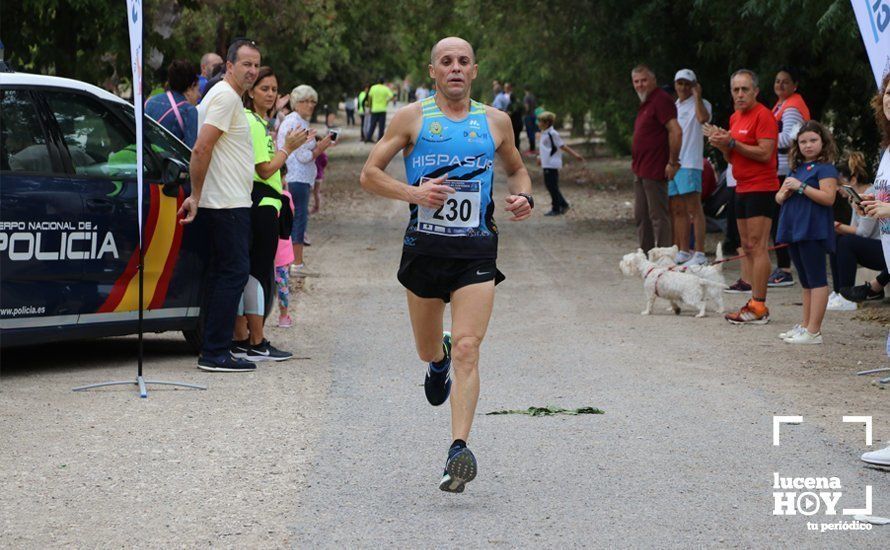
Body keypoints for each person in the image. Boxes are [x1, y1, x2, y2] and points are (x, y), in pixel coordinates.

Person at [359, 36, 533, 493]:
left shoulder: (495, 121)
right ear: (432, 71)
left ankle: (458, 449)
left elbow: (517, 168)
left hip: (476, 250)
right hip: (424, 249)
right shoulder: (412, 118)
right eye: (446, 62)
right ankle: (435, 363)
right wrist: (414, 194)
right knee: (429, 348)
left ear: (474, 71)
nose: (455, 68)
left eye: (463, 61)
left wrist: (524, 195)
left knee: (469, 349)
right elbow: (369, 174)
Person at [178, 39, 261, 372]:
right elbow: (201, 149)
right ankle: (215, 352)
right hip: (226, 205)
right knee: (234, 272)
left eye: (256, 64)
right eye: (246, 64)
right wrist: (196, 195)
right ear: (229, 66)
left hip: (225, 202)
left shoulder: (223, 96)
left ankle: (213, 347)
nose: (252, 71)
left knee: (220, 275)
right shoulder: (226, 97)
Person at [231, 66, 307, 362]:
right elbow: (264, 169)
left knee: (253, 272)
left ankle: (243, 337)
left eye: (274, 89)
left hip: (267, 203)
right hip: (260, 204)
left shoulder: (260, 123)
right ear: (250, 92)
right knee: (259, 274)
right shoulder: (252, 122)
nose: (271, 94)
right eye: (264, 88)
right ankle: (255, 339)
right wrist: (288, 148)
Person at [706, 69, 779, 325]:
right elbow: (731, 157)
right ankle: (753, 302)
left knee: (758, 246)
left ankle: (759, 305)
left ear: (756, 91)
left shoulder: (764, 115)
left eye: (744, 89)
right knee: (747, 246)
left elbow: (765, 153)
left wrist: (733, 144)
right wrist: (724, 145)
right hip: (741, 186)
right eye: (735, 90)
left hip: (762, 186)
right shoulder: (735, 118)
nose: (739, 94)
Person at [774, 121, 838, 344]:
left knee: (817, 278)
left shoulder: (826, 168)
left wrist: (801, 187)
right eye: (803, 141)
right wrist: (785, 192)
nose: (808, 145)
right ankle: (805, 325)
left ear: (823, 142)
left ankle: (814, 331)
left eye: (813, 140)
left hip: (813, 230)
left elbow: (829, 198)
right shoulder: (797, 169)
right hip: (794, 229)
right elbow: (779, 197)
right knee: (806, 281)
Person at [277, 85, 335, 276]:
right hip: (297, 176)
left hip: (297, 176)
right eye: (305, 101)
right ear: (296, 102)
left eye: (313, 101)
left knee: (297, 218)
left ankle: (294, 261)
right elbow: (303, 156)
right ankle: (297, 262)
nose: (310, 105)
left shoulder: (295, 120)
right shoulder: (296, 123)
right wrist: (321, 147)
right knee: (299, 218)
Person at [631, 65, 681, 252]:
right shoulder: (646, 102)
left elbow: (676, 131)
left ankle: (664, 257)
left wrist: (672, 162)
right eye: (636, 82)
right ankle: (646, 257)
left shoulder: (661, 100)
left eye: (644, 80)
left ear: (653, 81)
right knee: (641, 216)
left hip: (655, 168)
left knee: (658, 216)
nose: (640, 85)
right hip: (640, 169)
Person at [769, 67, 812, 288]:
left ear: (794, 85)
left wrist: (764, 139)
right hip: (780, 168)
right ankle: (784, 266)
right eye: (777, 81)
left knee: (781, 219)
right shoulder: (782, 105)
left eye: (785, 82)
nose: (780, 85)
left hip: (784, 169)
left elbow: (789, 138)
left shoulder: (792, 106)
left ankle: (785, 269)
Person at [830, 152, 885, 310]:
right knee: (838, 240)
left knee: (846, 242)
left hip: (881, 247)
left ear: (853, 180)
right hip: (874, 246)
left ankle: (847, 295)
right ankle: (838, 292)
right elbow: (855, 228)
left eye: (841, 184)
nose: (838, 189)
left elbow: (862, 233)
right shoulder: (856, 196)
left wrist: (836, 225)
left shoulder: (870, 193)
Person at [669, 69, 712, 266]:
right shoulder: (673, 106)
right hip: (675, 163)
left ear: (694, 85)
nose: (683, 87)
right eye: (680, 83)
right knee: (678, 209)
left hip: (690, 163)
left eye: (687, 84)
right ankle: (684, 250)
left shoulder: (702, 105)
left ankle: (700, 253)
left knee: (694, 208)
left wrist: (698, 97)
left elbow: (703, 119)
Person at [537, 111, 584, 215]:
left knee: (552, 186)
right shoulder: (544, 133)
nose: (538, 123)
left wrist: (575, 155)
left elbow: (562, 146)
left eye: (540, 121)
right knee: (550, 186)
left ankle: (556, 208)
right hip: (546, 163)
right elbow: (545, 148)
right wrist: (539, 157)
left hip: (552, 164)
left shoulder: (552, 134)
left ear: (547, 123)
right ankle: (563, 204)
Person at [145, 60, 201, 147]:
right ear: (190, 87)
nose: (199, 95)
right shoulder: (189, 111)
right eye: (198, 90)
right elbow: (191, 150)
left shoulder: (151, 101)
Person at [276, 189, 296, 327]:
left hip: (265, 249)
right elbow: (291, 216)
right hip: (283, 249)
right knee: (283, 286)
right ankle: (283, 317)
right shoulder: (286, 196)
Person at [523, 87, 537, 152]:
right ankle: (533, 147)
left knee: (529, 132)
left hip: (528, 116)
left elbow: (527, 107)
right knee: (533, 132)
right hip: (534, 114)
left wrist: (524, 114)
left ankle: (531, 149)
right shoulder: (533, 97)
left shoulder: (526, 97)